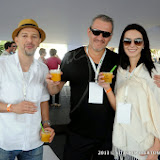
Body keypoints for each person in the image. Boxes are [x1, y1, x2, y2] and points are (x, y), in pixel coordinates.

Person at [46, 14, 119, 160]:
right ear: (89, 31)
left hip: (108, 135)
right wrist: (51, 85)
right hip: (77, 133)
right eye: (96, 32)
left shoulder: (117, 60)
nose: (100, 37)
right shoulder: (71, 57)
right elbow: (55, 90)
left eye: (105, 34)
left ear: (110, 36)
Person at [98, 24, 160, 160]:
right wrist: (107, 88)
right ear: (122, 44)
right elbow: (119, 108)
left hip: (145, 145)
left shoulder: (155, 71)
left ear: (144, 44)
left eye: (137, 41)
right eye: (127, 41)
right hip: (122, 141)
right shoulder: (120, 71)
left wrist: (156, 147)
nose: (132, 45)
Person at [0, 19, 55, 160]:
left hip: (34, 141)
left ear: (39, 41)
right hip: (5, 141)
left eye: (34, 36)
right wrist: (11, 107)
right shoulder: (2, 65)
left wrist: (47, 124)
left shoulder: (43, 68)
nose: (29, 40)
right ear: (16, 40)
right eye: (24, 36)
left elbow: (43, 100)